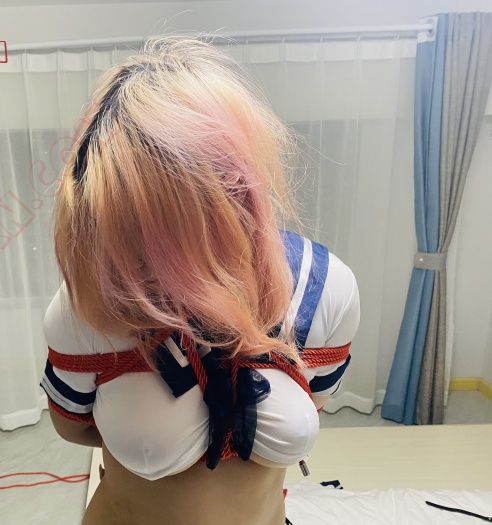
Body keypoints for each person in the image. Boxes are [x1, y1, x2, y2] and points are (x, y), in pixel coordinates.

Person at [40, 37, 360, 525]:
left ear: (233, 188)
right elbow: (73, 427)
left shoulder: (322, 289)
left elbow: (313, 401)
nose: (138, 258)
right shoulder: (89, 300)